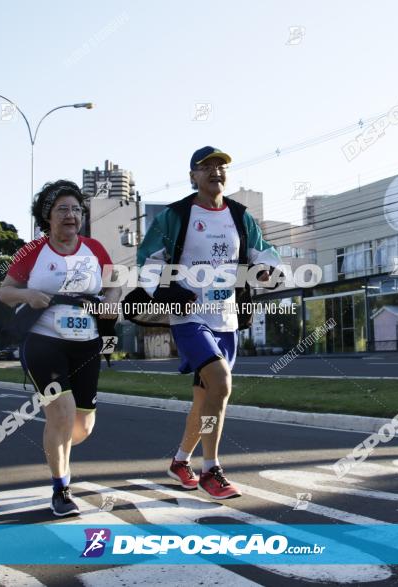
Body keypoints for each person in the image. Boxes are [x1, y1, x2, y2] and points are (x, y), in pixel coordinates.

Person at [136, 146, 281, 499]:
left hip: (227, 317)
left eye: (221, 166)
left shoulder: (240, 216)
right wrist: (164, 291)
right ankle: (210, 468)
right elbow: (148, 260)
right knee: (221, 383)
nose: (216, 171)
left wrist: (265, 269)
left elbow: (263, 252)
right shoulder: (174, 216)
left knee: (206, 398)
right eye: (206, 166)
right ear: (193, 176)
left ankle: (180, 460)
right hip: (189, 317)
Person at [0, 180, 119, 516]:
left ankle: (56, 436)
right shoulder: (32, 252)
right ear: (47, 217)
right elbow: (5, 292)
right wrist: (26, 295)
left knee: (82, 426)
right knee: (62, 411)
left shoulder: (95, 249)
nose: (71, 215)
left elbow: (114, 285)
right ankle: (61, 489)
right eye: (63, 209)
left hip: (86, 344)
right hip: (43, 341)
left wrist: (110, 302)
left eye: (77, 209)